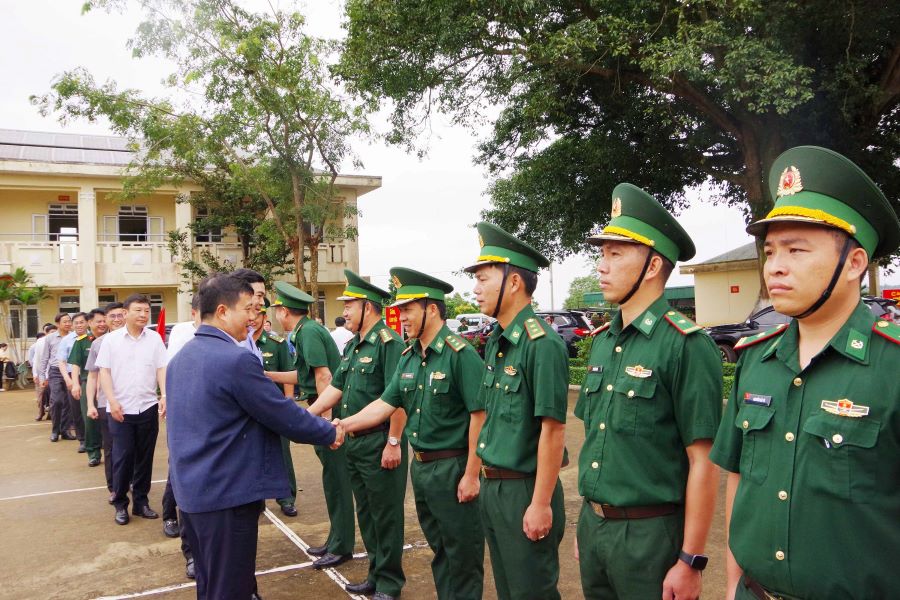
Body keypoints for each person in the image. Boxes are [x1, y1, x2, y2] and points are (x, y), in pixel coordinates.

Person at [710, 146, 900, 600]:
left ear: (854, 264)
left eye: (796, 250)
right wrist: (734, 581)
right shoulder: (756, 358)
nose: (775, 265)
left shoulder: (891, 366)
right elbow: (737, 479)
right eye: (771, 249)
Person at [577, 184, 722, 600]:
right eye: (601, 253)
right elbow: (596, 438)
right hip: (595, 529)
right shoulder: (604, 340)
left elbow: (704, 462)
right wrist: (590, 526)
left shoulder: (686, 344)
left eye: (615, 254)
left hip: (651, 536)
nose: (601, 266)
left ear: (654, 264)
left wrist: (691, 559)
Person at [166, 274, 341, 600]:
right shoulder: (234, 359)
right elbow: (281, 413)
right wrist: (328, 430)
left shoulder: (180, 358)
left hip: (193, 495)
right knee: (230, 589)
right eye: (247, 309)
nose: (254, 317)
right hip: (227, 495)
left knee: (210, 583)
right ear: (222, 311)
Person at [331, 267, 487, 600]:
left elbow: (480, 416)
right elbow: (385, 404)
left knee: (462, 556)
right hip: (423, 468)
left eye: (408, 309)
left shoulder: (461, 354)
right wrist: (343, 424)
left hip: (453, 468)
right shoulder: (409, 357)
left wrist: (472, 474)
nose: (400, 316)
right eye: (399, 310)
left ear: (432, 308)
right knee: (441, 551)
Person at [463, 222, 569, 600]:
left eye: (483, 278)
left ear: (513, 282)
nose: (475, 289)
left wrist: (540, 503)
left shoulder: (542, 344)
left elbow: (553, 430)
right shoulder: (497, 341)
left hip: (524, 488)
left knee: (531, 591)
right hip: (495, 488)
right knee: (509, 590)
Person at [307, 269, 407, 600]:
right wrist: (305, 417)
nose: (344, 311)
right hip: (355, 444)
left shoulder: (388, 343)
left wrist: (393, 442)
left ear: (368, 307)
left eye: (349, 304)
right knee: (367, 514)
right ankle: (376, 575)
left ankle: (390, 583)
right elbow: (335, 388)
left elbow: (400, 399)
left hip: (380, 442)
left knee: (386, 517)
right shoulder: (353, 347)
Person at [266, 282, 356, 568]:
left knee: (338, 481)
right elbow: (303, 375)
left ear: (283, 311)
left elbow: (324, 377)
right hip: (324, 408)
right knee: (331, 480)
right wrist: (269, 375)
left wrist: (324, 422)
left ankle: (342, 545)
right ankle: (335, 539)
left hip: (329, 410)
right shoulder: (305, 331)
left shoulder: (307, 333)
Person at [96, 294, 167, 525]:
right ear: (125, 313)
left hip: (147, 407)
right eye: (138, 310)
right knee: (123, 457)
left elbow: (161, 368)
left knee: (145, 458)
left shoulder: (155, 338)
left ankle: (141, 502)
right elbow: (104, 372)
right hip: (120, 409)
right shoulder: (111, 340)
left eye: (147, 311)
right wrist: (112, 401)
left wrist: (164, 395)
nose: (143, 315)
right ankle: (120, 503)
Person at [251, 297, 300, 516]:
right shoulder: (239, 342)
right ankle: (256, 497)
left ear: (264, 316)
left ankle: (286, 497)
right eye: (250, 313)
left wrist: (288, 403)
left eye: (258, 314)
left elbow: (288, 375)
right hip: (250, 409)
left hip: (275, 407)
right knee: (252, 453)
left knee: (282, 452)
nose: (252, 319)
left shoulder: (276, 343)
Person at [85, 302, 126, 502]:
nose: (117, 320)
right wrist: (91, 404)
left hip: (134, 404)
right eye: (112, 316)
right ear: (106, 320)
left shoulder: (139, 340)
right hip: (106, 404)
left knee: (133, 449)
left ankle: (133, 484)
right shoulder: (98, 344)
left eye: (120, 315)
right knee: (111, 449)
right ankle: (115, 488)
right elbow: (92, 377)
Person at [69, 309, 108, 466]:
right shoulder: (82, 341)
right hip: (88, 384)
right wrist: (75, 384)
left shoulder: (112, 339)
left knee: (109, 418)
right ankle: (93, 452)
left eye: (103, 320)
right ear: (90, 323)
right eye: (98, 321)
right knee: (90, 419)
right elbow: (76, 364)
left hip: (109, 384)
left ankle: (109, 447)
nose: (102, 324)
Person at [39, 313, 75, 442]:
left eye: (69, 321)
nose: (68, 324)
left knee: (69, 403)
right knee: (57, 401)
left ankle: (65, 430)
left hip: (71, 372)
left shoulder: (75, 337)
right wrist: (42, 376)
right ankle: (55, 430)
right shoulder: (50, 338)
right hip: (55, 372)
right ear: (58, 324)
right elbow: (44, 358)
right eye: (64, 321)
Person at [29, 332, 48, 417]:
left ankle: (50, 413)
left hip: (51, 374)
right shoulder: (34, 346)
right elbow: (33, 361)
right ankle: (41, 412)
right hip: (40, 374)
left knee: (51, 396)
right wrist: (35, 373)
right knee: (41, 395)